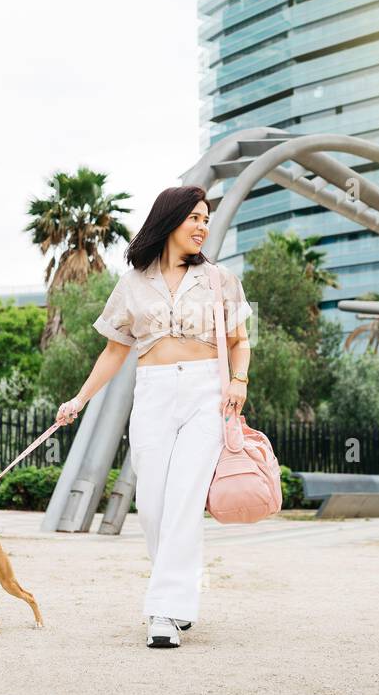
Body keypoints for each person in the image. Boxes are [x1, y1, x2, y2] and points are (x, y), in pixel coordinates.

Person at [55, 185, 252, 648]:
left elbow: (241, 340)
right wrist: (79, 399)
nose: (203, 226)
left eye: (207, 219)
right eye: (195, 218)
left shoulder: (221, 280)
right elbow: (113, 350)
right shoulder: (132, 283)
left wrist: (238, 381)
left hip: (207, 392)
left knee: (184, 498)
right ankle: (177, 597)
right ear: (171, 220)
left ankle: (164, 611)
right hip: (154, 393)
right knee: (154, 504)